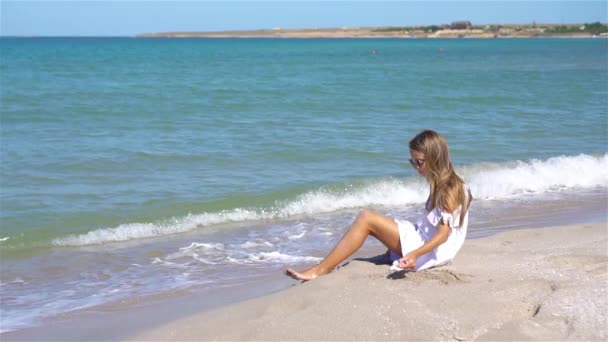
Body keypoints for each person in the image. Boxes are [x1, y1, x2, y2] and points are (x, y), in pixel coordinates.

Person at [285, 129, 472, 281]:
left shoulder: (449, 189)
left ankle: (320, 270)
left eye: (419, 162)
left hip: (429, 251)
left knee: (366, 218)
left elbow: (442, 236)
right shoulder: (448, 183)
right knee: (379, 221)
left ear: (435, 158)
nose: (416, 167)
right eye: (412, 162)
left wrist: (414, 254)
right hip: (425, 242)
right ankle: (325, 266)